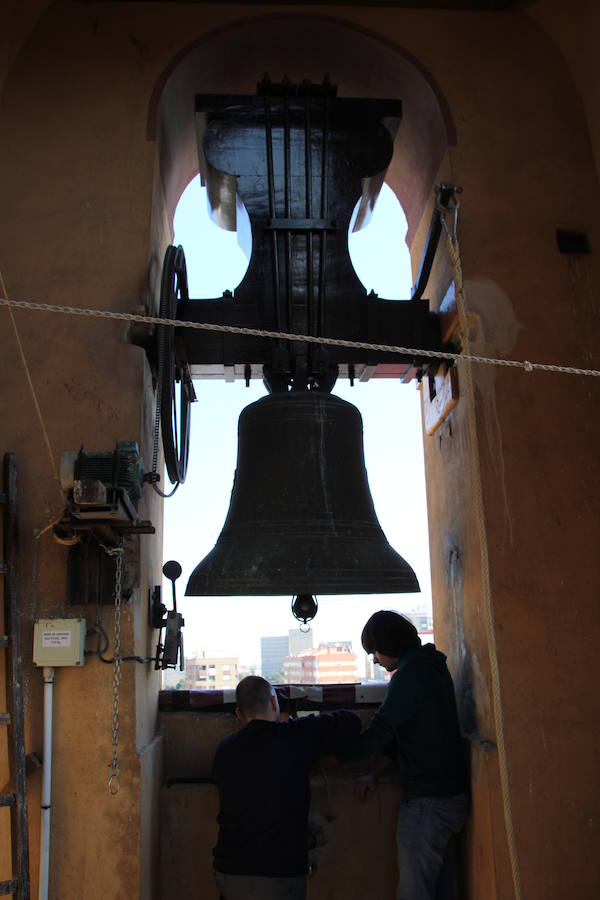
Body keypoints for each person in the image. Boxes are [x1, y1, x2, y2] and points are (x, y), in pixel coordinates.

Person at [339, 610, 468, 900]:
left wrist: (335, 756)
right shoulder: (430, 666)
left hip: (428, 804)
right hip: (447, 799)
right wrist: (375, 772)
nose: (374, 659)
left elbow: (381, 731)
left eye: (374, 651)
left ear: (387, 644)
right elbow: (407, 734)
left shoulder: (411, 675)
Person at [211, 674, 361, 900]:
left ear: (239, 714)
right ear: (273, 702)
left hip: (229, 871)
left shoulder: (224, 749)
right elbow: (352, 722)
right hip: (280, 873)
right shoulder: (297, 735)